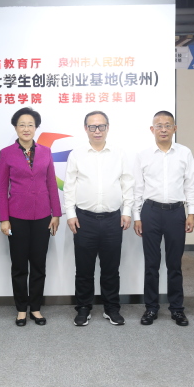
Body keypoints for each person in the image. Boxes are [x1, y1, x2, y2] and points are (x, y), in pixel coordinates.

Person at [64, 111, 134, 326]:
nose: (97, 131)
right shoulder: (77, 154)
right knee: (84, 269)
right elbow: (69, 186)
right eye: (92, 127)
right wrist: (70, 214)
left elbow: (127, 183)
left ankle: (111, 308)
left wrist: (127, 211)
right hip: (84, 220)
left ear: (107, 128)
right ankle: (83, 308)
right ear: (86, 128)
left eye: (101, 126)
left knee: (111, 269)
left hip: (113, 219)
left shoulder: (119, 154)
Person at [0, 107, 62, 326]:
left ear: (36, 128)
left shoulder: (45, 151)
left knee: (38, 264)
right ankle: (21, 309)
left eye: (30, 125)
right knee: (19, 266)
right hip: (16, 216)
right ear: (15, 127)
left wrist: (56, 213)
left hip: (43, 216)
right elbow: (2, 188)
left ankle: (35, 308)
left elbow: (51, 183)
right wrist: (4, 219)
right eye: (22, 125)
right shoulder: (6, 153)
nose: (26, 129)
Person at [133, 111, 194, 327]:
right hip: (150, 212)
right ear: (152, 129)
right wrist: (137, 216)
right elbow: (138, 188)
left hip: (176, 213)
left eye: (167, 125)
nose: (163, 129)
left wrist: (191, 213)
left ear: (174, 129)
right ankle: (151, 308)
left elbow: (190, 185)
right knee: (151, 264)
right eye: (159, 125)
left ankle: (177, 309)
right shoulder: (143, 155)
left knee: (174, 264)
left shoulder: (184, 153)